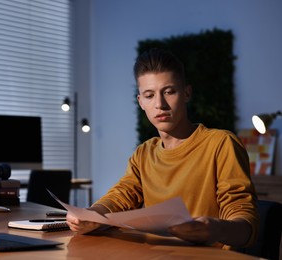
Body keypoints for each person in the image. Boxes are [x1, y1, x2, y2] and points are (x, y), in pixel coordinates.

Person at [66, 48, 259, 250]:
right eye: (149, 95)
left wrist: (216, 229)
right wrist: (90, 216)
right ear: (141, 102)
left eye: (169, 92)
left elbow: (246, 226)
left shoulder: (221, 144)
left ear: (186, 93)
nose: (160, 104)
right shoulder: (143, 153)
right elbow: (121, 196)